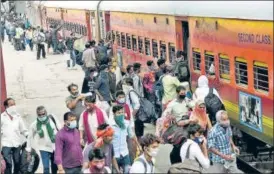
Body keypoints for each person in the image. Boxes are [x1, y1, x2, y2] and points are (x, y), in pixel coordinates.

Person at [26, 106, 61, 174]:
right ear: (37, 114)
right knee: (46, 167)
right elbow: (29, 138)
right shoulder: (34, 124)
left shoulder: (52, 119)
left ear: (46, 113)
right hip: (43, 148)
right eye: (39, 114)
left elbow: (60, 129)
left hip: (54, 146)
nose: (42, 116)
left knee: (55, 166)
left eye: (43, 114)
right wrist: (28, 151)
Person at [1, 98, 28, 174]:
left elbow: (23, 129)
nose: (14, 106)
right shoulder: (2, 117)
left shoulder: (18, 116)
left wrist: (28, 136)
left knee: (17, 162)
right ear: (6, 106)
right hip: (6, 144)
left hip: (17, 143)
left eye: (14, 104)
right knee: (8, 164)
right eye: (11, 105)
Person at [111, 105, 139, 174]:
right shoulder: (109, 125)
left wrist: (138, 145)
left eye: (122, 112)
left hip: (125, 154)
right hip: (114, 156)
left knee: (128, 171)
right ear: (114, 114)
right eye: (118, 113)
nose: (121, 114)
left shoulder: (126, 123)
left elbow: (132, 135)